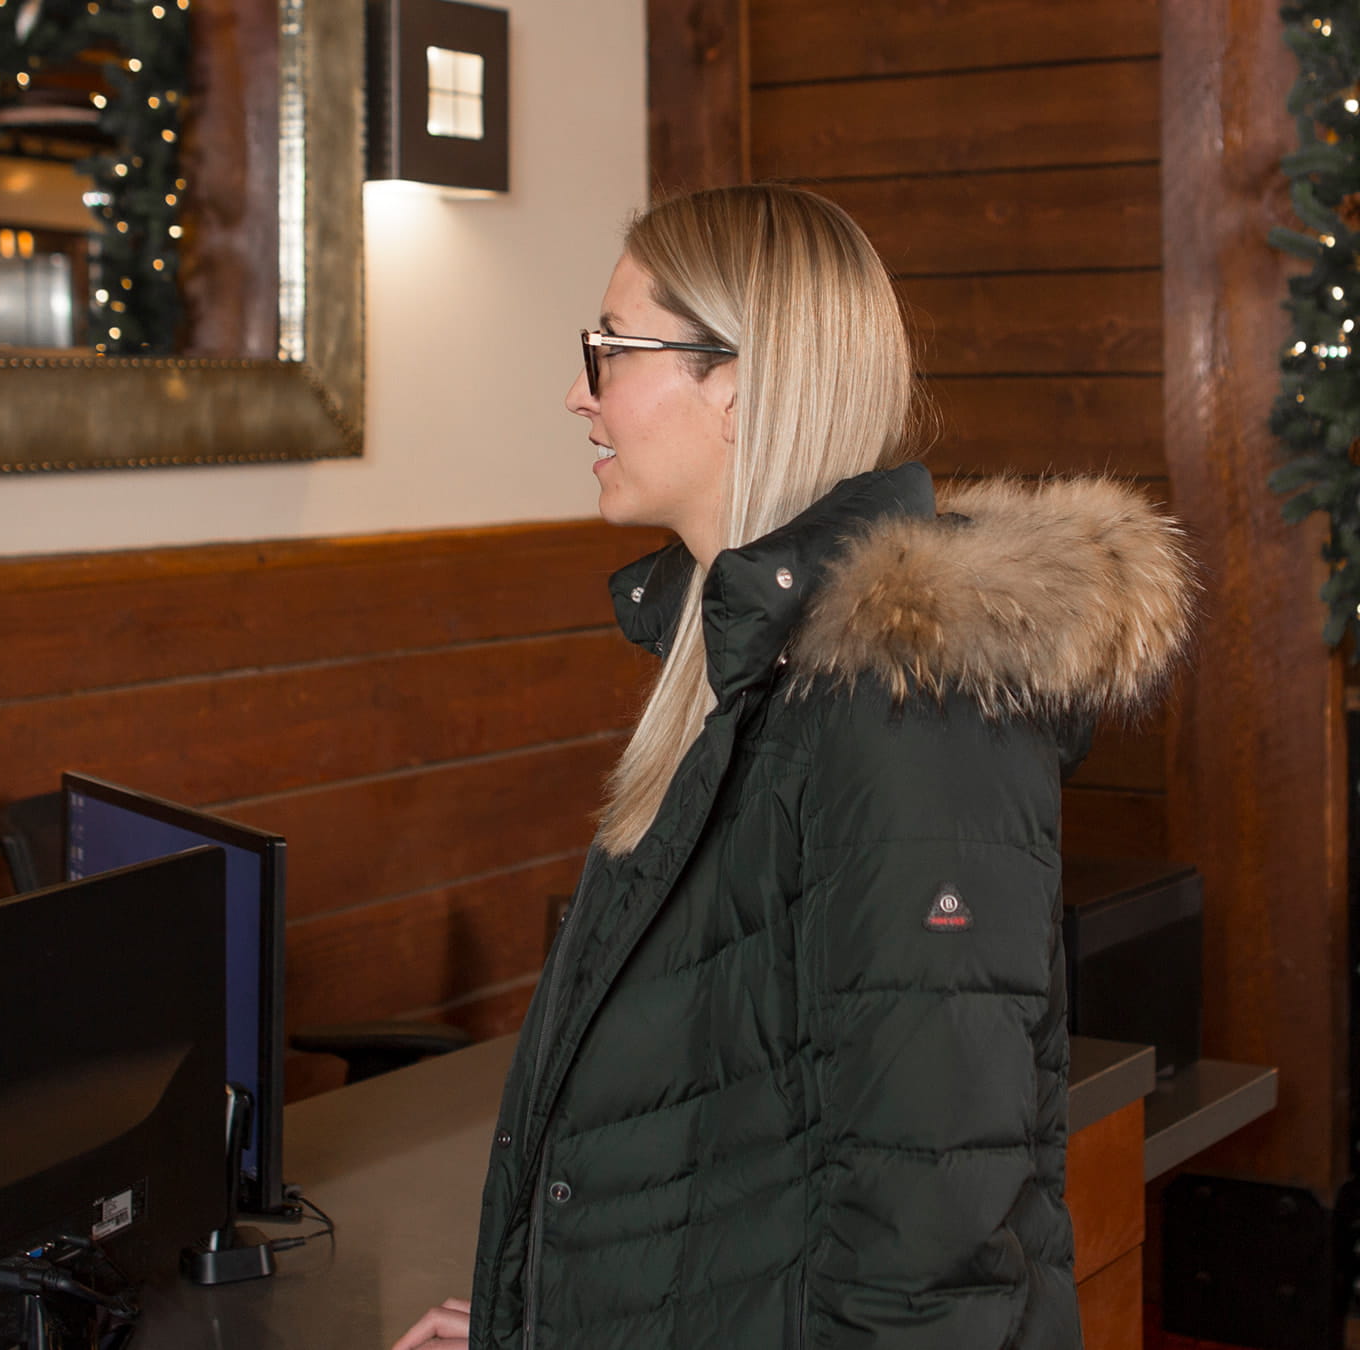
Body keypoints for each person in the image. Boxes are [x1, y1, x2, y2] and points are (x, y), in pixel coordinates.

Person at [394, 184, 1195, 1349]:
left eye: (610, 349)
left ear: (738, 379)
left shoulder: (904, 708)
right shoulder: (734, 658)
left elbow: (928, 1246)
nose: (579, 390)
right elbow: (729, 1141)